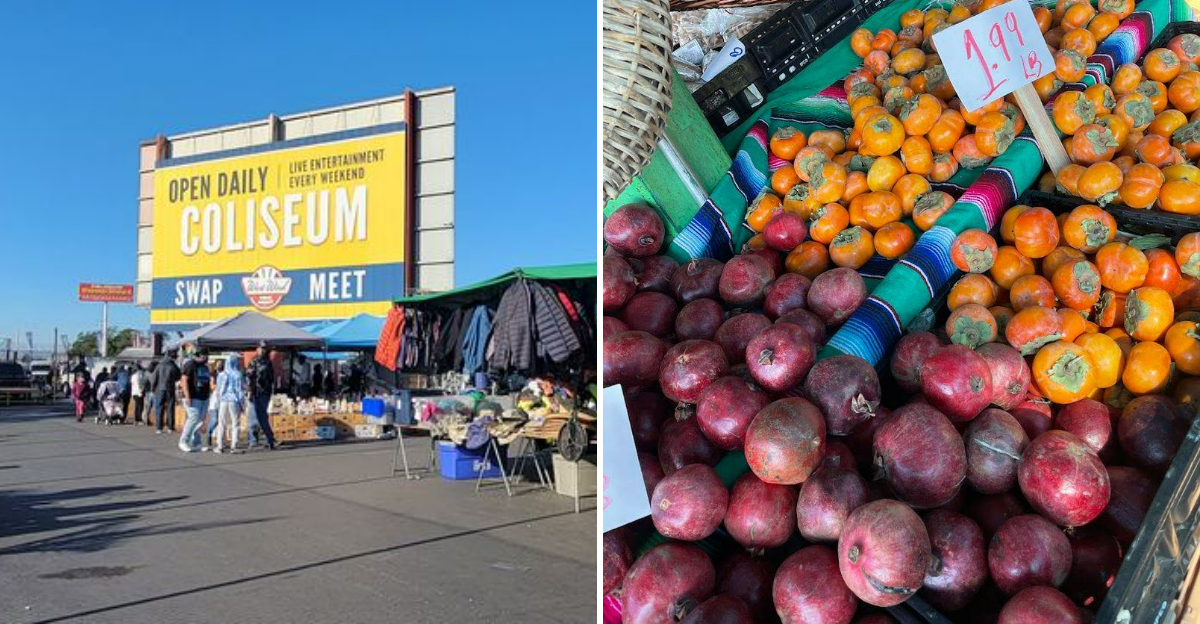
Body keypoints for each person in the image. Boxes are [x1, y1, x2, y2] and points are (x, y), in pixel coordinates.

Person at [178, 347, 212, 452]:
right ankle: (183, 441)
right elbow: (184, 380)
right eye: (205, 355)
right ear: (199, 354)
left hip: (203, 396)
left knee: (200, 420)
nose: (207, 357)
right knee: (193, 418)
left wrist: (208, 395)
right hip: (193, 396)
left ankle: (196, 442)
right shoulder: (190, 364)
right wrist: (187, 396)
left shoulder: (204, 366)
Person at [248, 343, 278, 450]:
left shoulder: (260, 362)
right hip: (260, 392)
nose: (263, 351)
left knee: (259, 417)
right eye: (262, 349)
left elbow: (250, 378)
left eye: (264, 349)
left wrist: (250, 391)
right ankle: (265, 439)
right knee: (258, 417)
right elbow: (250, 377)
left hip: (260, 393)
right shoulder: (260, 362)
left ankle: (268, 439)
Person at [213, 355, 245, 453]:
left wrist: (218, 401)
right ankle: (234, 446)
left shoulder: (222, 374)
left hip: (223, 401)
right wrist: (242, 404)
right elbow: (240, 390)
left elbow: (218, 390)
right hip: (234, 401)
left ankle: (220, 446)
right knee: (235, 423)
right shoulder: (238, 374)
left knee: (222, 423)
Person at [154, 350, 181, 434]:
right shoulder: (173, 365)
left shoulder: (159, 365)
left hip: (159, 389)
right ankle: (170, 427)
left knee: (159, 408)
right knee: (170, 408)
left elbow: (154, 377)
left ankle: (159, 428)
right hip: (170, 388)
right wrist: (172, 380)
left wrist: (153, 388)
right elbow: (178, 376)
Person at [202, 359, 224, 450]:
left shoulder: (225, 375)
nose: (220, 366)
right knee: (215, 420)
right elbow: (212, 386)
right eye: (218, 364)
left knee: (221, 421)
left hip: (222, 401)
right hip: (214, 401)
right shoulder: (213, 375)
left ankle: (220, 441)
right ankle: (208, 433)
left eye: (221, 364)